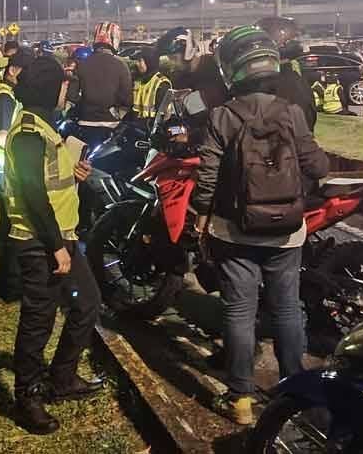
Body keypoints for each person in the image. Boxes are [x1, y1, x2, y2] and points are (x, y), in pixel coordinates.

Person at [193, 25, 329, 425]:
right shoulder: (291, 112)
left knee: (239, 311)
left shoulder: (222, 116)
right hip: (286, 231)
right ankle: (294, 393)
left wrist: (201, 214)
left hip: (233, 230)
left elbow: (207, 174)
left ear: (232, 70)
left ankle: (241, 399)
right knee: (287, 308)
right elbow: (318, 166)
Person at [5, 56, 104, 434]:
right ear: (49, 87)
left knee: (87, 304)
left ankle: (62, 377)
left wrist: (75, 173)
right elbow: (32, 191)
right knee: (38, 320)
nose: (67, 90)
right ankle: (27, 397)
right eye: (63, 84)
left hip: (63, 235)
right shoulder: (30, 131)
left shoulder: (46, 127)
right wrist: (55, 246)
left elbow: (49, 181)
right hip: (39, 241)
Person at [0, 46, 34, 301]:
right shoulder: (5, 98)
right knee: (13, 225)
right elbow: (2, 136)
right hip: (4, 167)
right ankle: (11, 284)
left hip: (3, 167)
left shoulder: (7, 94)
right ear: (13, 70)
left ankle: (8, 280)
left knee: (8, 223)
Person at [72, 22, 132, 145]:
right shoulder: (121, 65)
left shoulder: (82, 64)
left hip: (85, 122)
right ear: (115, 40)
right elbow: (126, 98)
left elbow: (72, 95)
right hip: (111, 124)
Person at [131, 45, 172, 119]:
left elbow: (164, 115)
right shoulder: (138, 81)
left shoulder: (161, 83)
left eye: (140, 61)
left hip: (152, 125)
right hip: (136, 124)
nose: (137, 64)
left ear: (149, 62)